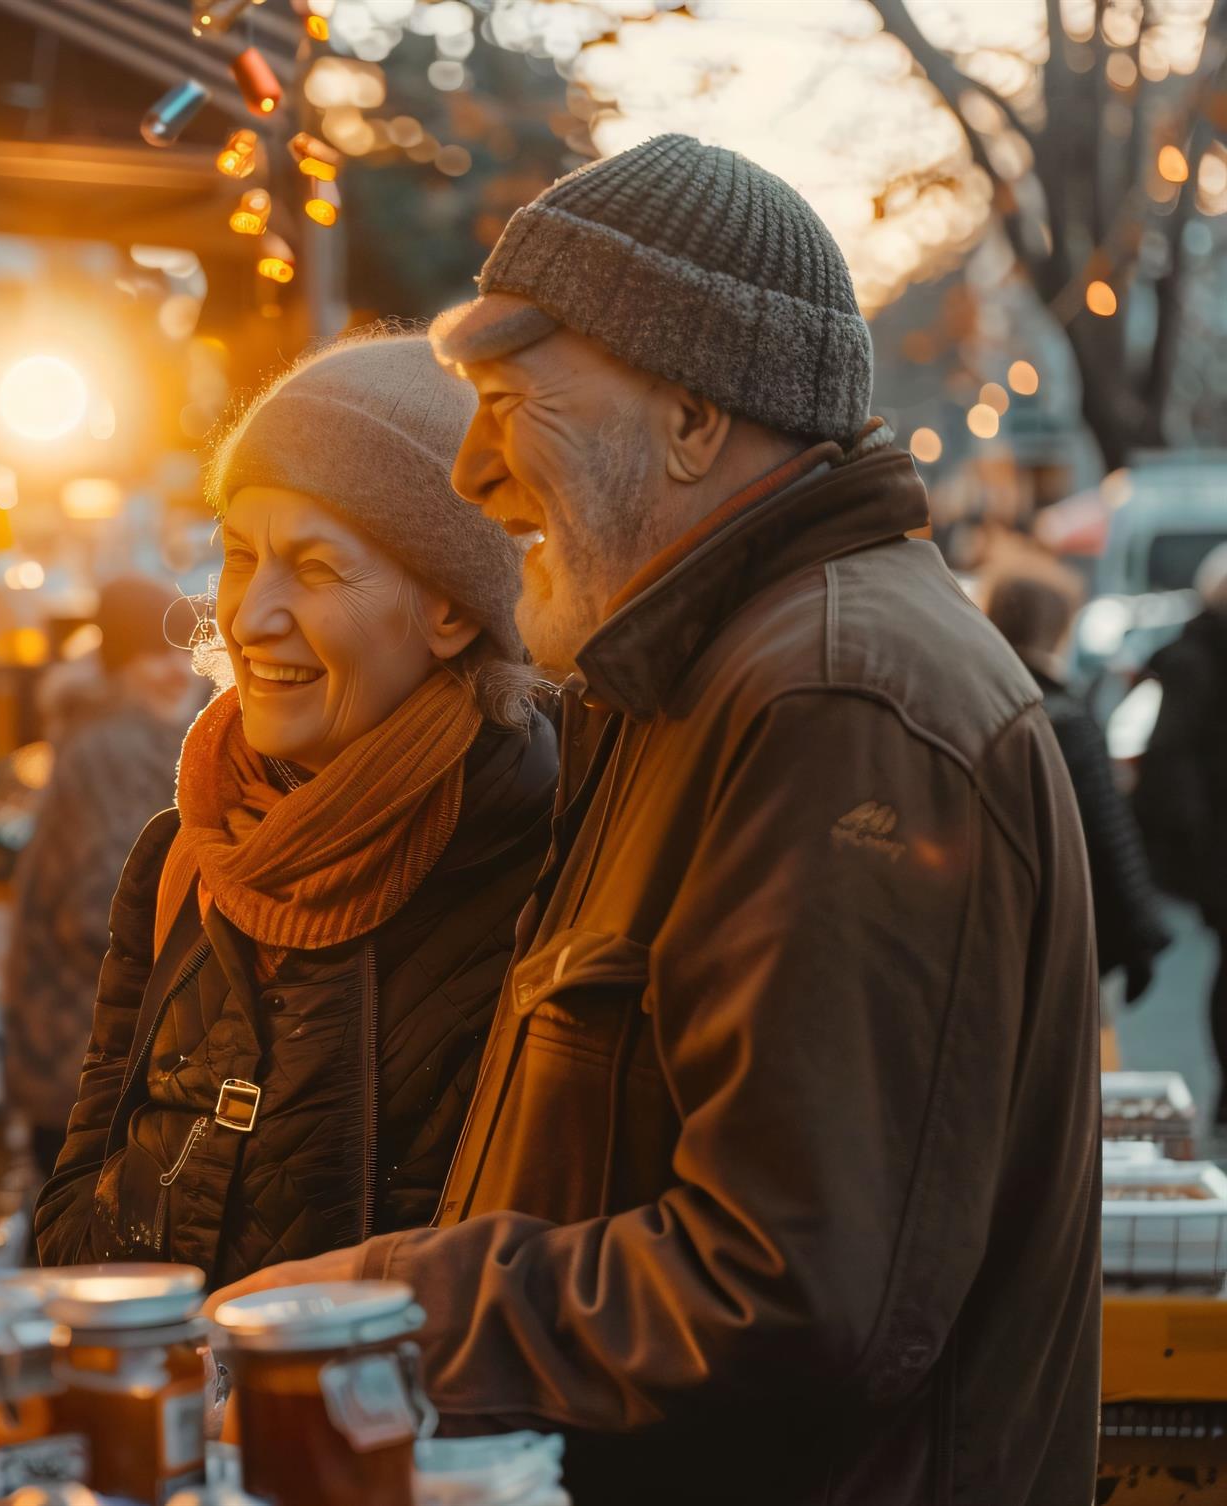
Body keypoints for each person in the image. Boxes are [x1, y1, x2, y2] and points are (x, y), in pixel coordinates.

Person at [210, 136, 1100, 1505]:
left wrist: (391, 1297)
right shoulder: (684, 680)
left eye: (513, 402)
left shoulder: (831, 698)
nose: (473, 475)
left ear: (695, 419)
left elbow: (790, 1292)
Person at [33, 333, 558, 1287]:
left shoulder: (550, 872)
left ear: (451, 608)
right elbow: (74, 1203)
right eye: (239, 557)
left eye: (315, 569)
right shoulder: (181, 855)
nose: (247, 616)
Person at [3, 577, 206, 1175]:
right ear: (119, 662)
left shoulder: (151, 734)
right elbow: (98, 912)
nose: (174, 671)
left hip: (88, 1048)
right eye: (152, 653)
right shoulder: (113, 746)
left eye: (183, 651)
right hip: (84, 1052)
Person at [981, 555, 1171, 1003]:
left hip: (986, 929)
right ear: (1057, 628)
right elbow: (1108, 835)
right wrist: (1141, 936)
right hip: (1062, 936)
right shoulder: (1062, 717)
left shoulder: (972, 703)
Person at [1134, 541, 1227, 1125]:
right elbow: (1171, 760)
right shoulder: (1200, 662)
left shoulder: (1198, 656)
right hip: (1217, 845)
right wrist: (1199, 841)